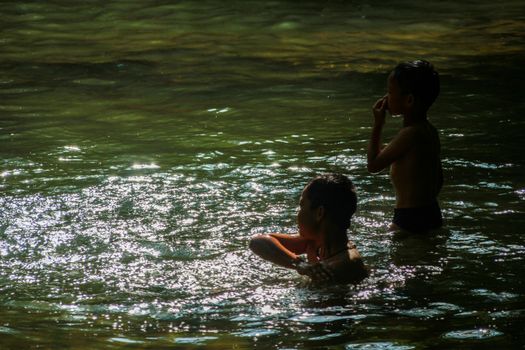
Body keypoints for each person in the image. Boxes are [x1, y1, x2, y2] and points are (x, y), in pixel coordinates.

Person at [249, 174, 368, 285]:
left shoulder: (335, 269)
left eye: (302, 206)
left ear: (319, 213)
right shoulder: (317, 243)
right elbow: (257, 241)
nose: (298, 214)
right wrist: (300, 264)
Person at [367, 60, 443, 233]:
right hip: (432, 214)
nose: (386, 98)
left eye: (390, 92)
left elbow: (373, 165)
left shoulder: (409, 134)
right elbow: (438, 180)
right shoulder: (430, 131)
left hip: (408, 219)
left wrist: (378, 124)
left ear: (408, 100)